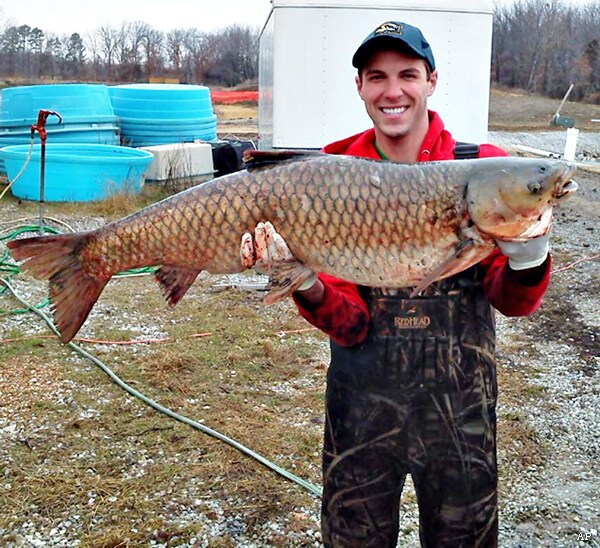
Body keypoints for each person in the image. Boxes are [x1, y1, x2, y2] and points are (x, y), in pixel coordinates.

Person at [242, 21, 552, 547]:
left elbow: (511, 301)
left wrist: (529, 256)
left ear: (431, 80)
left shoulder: (484, 170)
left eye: (407, 74)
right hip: (362, 408)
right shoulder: (329, 174)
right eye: (376, 77)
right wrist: (302, 280)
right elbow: (351, 322)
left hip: (463, 413)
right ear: (360, 87)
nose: (393, 91)